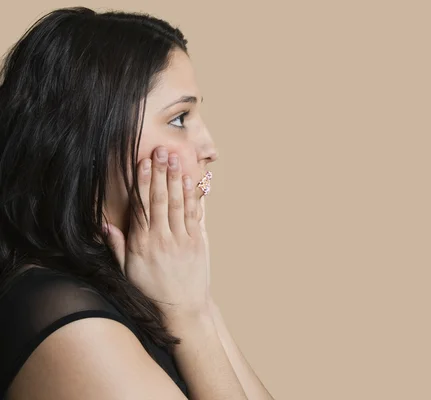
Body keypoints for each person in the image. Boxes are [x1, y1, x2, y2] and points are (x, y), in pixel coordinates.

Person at [0, 6, 274, 400]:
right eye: (179, 118)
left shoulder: (148, 286)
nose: (210, 149)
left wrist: (197, 303)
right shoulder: (71, 327)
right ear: (91, 138)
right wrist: (192, 321)